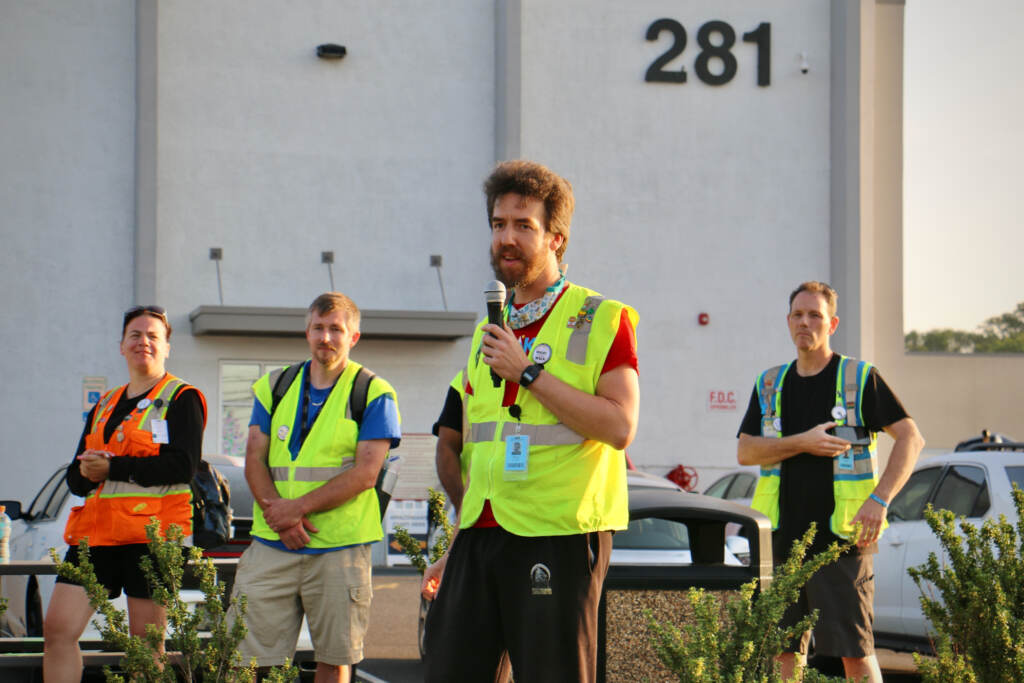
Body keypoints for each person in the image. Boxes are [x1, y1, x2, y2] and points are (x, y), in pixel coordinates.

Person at [422, 160, 640, 682]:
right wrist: (453, 547)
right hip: (481, 532)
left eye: (524, 226)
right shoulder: (487, 332)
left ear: (556, 239)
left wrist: (529, 373)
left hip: (558, 534)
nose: (507, 238)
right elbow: (480, 452)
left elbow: (619, 427)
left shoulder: (602, 317)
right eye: (499, 225)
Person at [737, 281, 925, 683]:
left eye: (815, 315)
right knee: (784, 653)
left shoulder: (859, 377)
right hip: (782, 540)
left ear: (832, 323)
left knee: (854, 653)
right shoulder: (770, 383)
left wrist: (880, 499)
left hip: (842, 540)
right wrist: (802, 442)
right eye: (798, 315)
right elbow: (746, 452)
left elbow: (912, 438)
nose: (805, 322)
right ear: (788, 322)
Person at [230, 292, 400, 683]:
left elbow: (366, 473)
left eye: (336, 329)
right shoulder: (273, 386)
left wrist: (295, 509)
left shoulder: (374, 392)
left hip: (338, 549)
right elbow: (254, 456)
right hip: (273, 543)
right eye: (318, 328)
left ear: (354, 335)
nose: (326, 337)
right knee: (247, 660)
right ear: (306, 332)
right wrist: (282, 517)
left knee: (334, 659)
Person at [44, 306, 207, 683]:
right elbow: (75, 477)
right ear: (121, 346)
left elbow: (183, 466)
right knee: (57, 631)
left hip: (152, 538)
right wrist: (86, 473)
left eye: (153, 336)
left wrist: (113, 468)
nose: (143, 342)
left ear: (167, 347)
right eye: (135, 335)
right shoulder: (103, 404)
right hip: (96, 535)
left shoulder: (182, 397)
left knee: (146, 649)